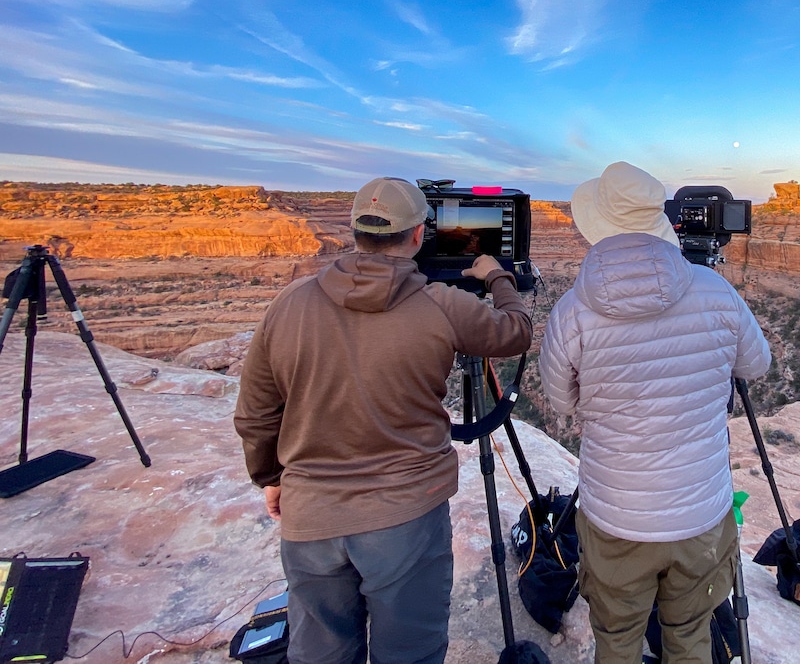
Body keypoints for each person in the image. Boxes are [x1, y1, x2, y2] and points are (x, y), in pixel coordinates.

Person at [234, 176, 533, 664]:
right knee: (409, 652)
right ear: (419, 236)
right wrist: (496, 275)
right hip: (407, 517)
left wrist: (271, 477)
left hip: (311, 516)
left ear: (354, 231)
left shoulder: (288, 305)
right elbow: (515, 332)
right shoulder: (441, 304)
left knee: (321, 652)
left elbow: (255, 413)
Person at [538, 162, 770, 664]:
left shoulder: (572, 311)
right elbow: (757, 363)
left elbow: (561, 402)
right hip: (700, 518)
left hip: (615, 518)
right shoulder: (716, 293)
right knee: (690, 637)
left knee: (617, 640)